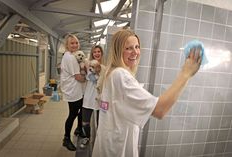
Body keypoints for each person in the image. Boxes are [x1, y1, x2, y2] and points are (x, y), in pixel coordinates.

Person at [92, 29, 201, 157]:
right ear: (118, 50)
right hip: (117, 149)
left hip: (108, 145)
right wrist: (186, 73)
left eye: (137, 47)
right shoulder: (121, 76)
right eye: (128, 48)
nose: (135, 52)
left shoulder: (111, 73)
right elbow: (160, 110)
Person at [60, 34, 85, 151]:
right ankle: (66, 139)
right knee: (73, 114)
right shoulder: (69, 57)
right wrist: (90, 79)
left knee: (80, 111)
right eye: (72, 43)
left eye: (76, 43)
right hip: (72, 90)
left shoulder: (71, 55)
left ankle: (79, 129)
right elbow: (78, 77)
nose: (75, 45)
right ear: (67, 45)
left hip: (75, 90)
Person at [80, 45, 105, 148]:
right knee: (85, 121)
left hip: (102, 98)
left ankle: (100, 141)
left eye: (98, 51)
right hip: (89, 96)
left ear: (101, 53)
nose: (97, 53)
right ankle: (87, 137)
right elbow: (92, 78)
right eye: (94, 52)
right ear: (92, 54)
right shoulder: (89, 65)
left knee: (102, 121)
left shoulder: (105, 67)